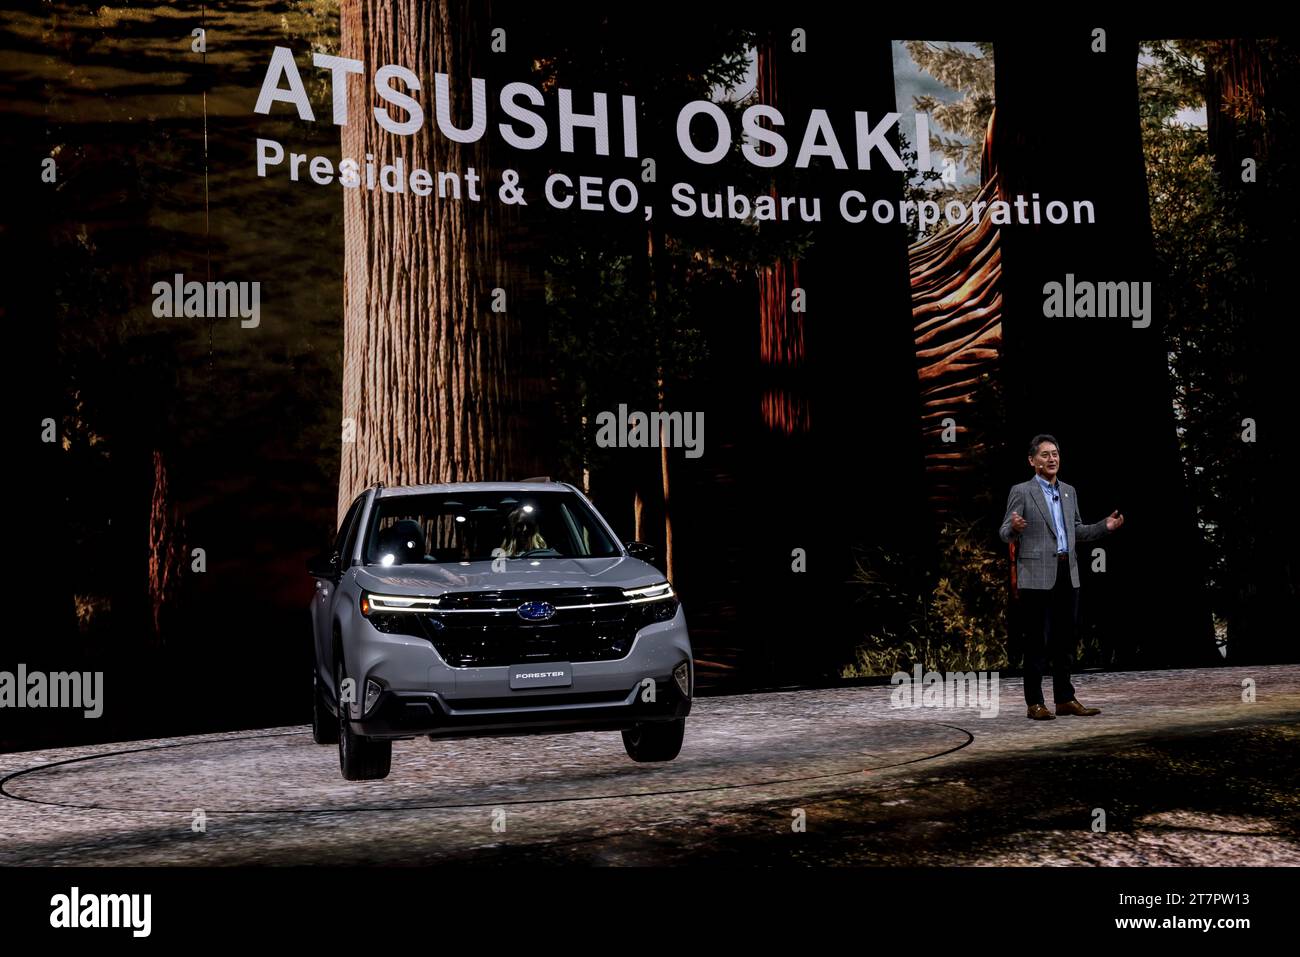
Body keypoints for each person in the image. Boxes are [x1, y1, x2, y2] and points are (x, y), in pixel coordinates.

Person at [999, 434, 1124, 720]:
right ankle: (1035, 703)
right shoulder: (1022, 491)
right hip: (1036, 576)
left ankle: (1065, 699)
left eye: (1055, 453)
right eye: (1045, 454)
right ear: (1032, 461)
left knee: (1065, 640)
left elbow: (1076, 531)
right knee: (1036, 642)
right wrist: (1015, 527)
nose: (1052, 458)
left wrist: (1105, 526)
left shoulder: (1068, 492)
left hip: (1068, 573)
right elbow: (1004, 532)